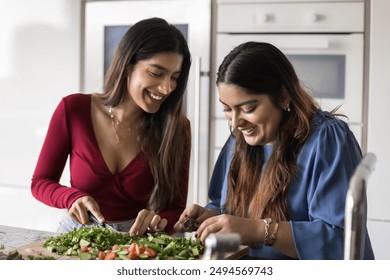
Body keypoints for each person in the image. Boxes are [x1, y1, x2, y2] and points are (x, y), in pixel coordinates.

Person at [174, 41, 375, 260]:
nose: (235, 123)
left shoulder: (328, 140)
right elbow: (225, 209)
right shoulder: (238, 141)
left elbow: (340, 243)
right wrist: (212, 217)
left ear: (283, 96)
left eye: (248, 108)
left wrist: (259, 230)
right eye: (227, 109)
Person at [31, 17, 191, 236]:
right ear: (127, 65)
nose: (166, 88)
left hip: (137, 241)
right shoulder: (73, 109)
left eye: (174, 77)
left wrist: (160, 221)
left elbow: (175, 208)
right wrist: (71, 197)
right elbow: (40, 183)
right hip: (76, 236)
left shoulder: (176, 127)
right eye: (156, 73)